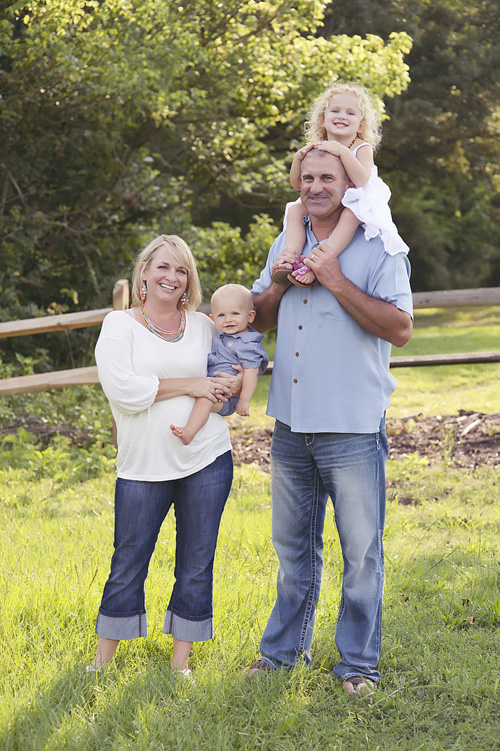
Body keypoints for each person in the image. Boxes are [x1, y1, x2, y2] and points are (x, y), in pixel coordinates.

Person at [246, 147, 413, 695]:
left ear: (349, 184)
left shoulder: (381, 242)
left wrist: (336, 279)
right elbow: (258, 319)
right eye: (308, 178)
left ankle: (358, 665)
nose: (317, 186)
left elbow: (400, 327)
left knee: (361, 553)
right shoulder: (285, 240)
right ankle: (281, 655)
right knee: (293, 548)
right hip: (291, 423)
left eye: (328, 178)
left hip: (352, 426)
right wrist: (276, 283)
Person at [88, 234, 240, 681]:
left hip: (208, 457)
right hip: (143, 465)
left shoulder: (203, 326)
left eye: (181, 270)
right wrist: (192, 384)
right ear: (144, 273)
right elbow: (125, 391)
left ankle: (180, 666)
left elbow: (227, 383)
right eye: (163, 267)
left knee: (196, 563)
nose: (172, 277)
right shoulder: (119, 326)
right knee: (128, 560)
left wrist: (226, 387)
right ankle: (101, 665)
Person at [273, 81, 409, 289]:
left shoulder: (362, 148)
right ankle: (290, 256)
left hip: (358, 198)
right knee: (295, 209)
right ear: (323, 119)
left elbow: (361, 179)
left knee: (352, 213)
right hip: (328, 199)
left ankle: (319, 261)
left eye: (351, 113)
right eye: (335, 110)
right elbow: (296, 185)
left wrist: (343, 152)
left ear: (361, 124)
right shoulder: (317, 147)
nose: (342, 116)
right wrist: (298, 159)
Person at [171, 283, 269, 445]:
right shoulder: (222, 336)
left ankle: (189, 432)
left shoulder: (248, 344)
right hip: (214, 387)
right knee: (201, 395)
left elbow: (251, 372)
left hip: (226, 397)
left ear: (250, 316)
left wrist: (244, 400)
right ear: (213, 319)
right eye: (221, 315)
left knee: (205, 398)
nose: (228, 319)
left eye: (235, 313)